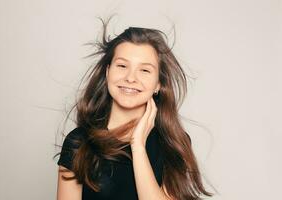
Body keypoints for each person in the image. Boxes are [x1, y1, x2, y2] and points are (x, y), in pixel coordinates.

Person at [55, 16, 213, 200]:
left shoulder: (173, 142)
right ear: (107, 72)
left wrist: (137, 146)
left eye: (144, 70)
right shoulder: (78, 142)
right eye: (122, 66)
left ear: (158, 84)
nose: (131, 78)